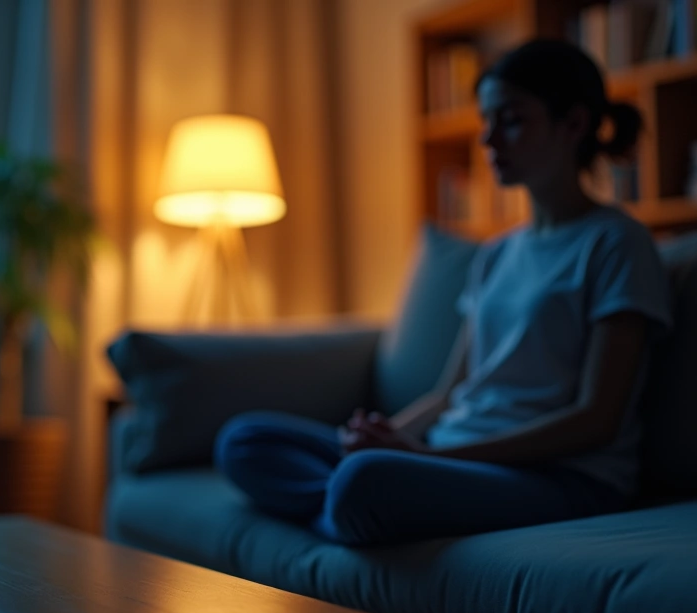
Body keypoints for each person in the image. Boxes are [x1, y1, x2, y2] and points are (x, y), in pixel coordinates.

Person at [214, 39, 673, 546]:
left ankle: (346, 509)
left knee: (364, 482)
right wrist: (387, 436)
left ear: (574, 124)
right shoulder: (497, 253)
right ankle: (348, 514)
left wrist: (429, 458)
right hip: (449, 455)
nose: (489, 139)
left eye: (511, 120)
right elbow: (450, 392)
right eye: (486, 121)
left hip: (556, 475)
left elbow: (597, 420)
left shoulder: (616, 243)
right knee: (245, 439)